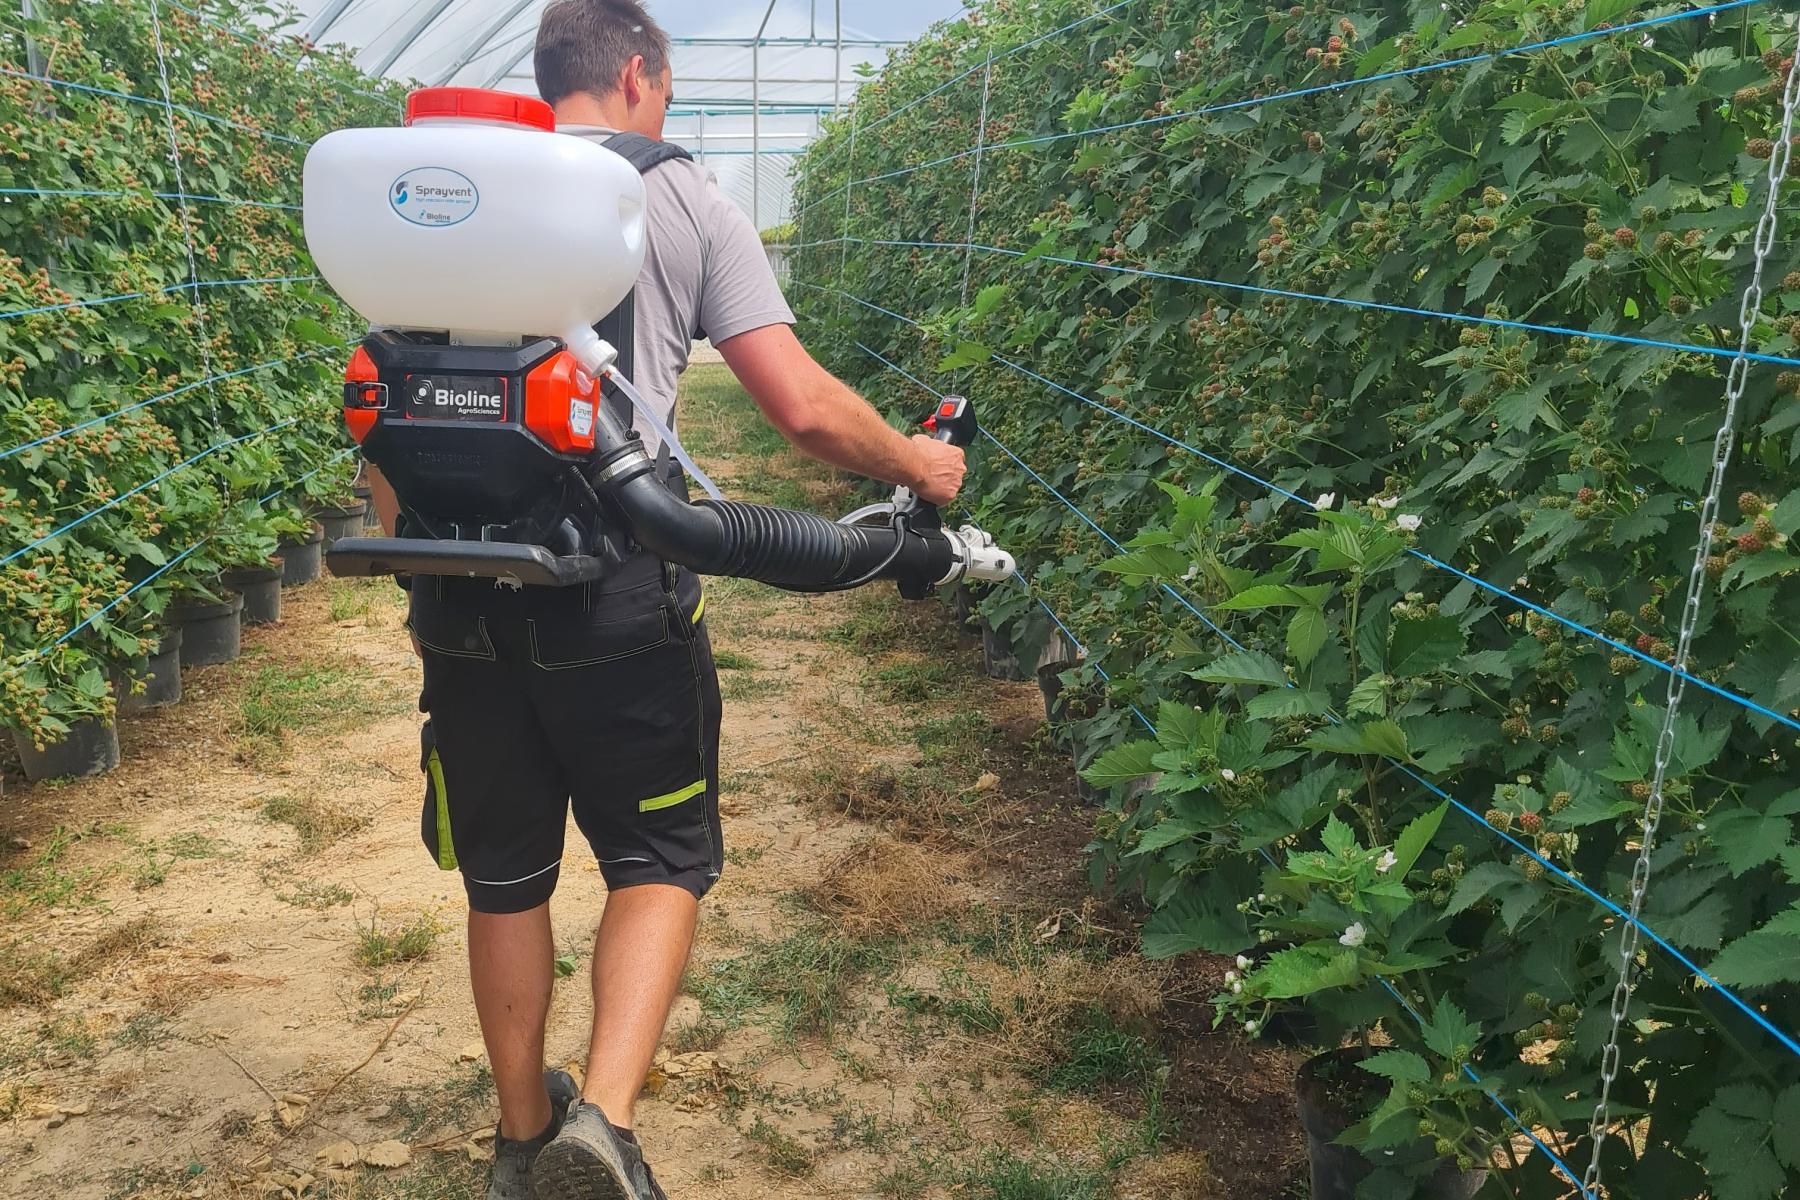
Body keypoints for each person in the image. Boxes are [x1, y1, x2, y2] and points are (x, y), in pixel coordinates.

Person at [364, 2, 967, 1197]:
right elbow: (795, 404)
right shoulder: (683, 197)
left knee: (506, 879)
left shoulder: (432, 194)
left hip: (460, 600)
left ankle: (520, 1135)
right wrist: (914, 464)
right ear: (639, 74)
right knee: (655, 860)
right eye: (670, 86)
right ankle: (609, 1127)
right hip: (618, 598)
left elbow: (385, 421)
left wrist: (428, 582)